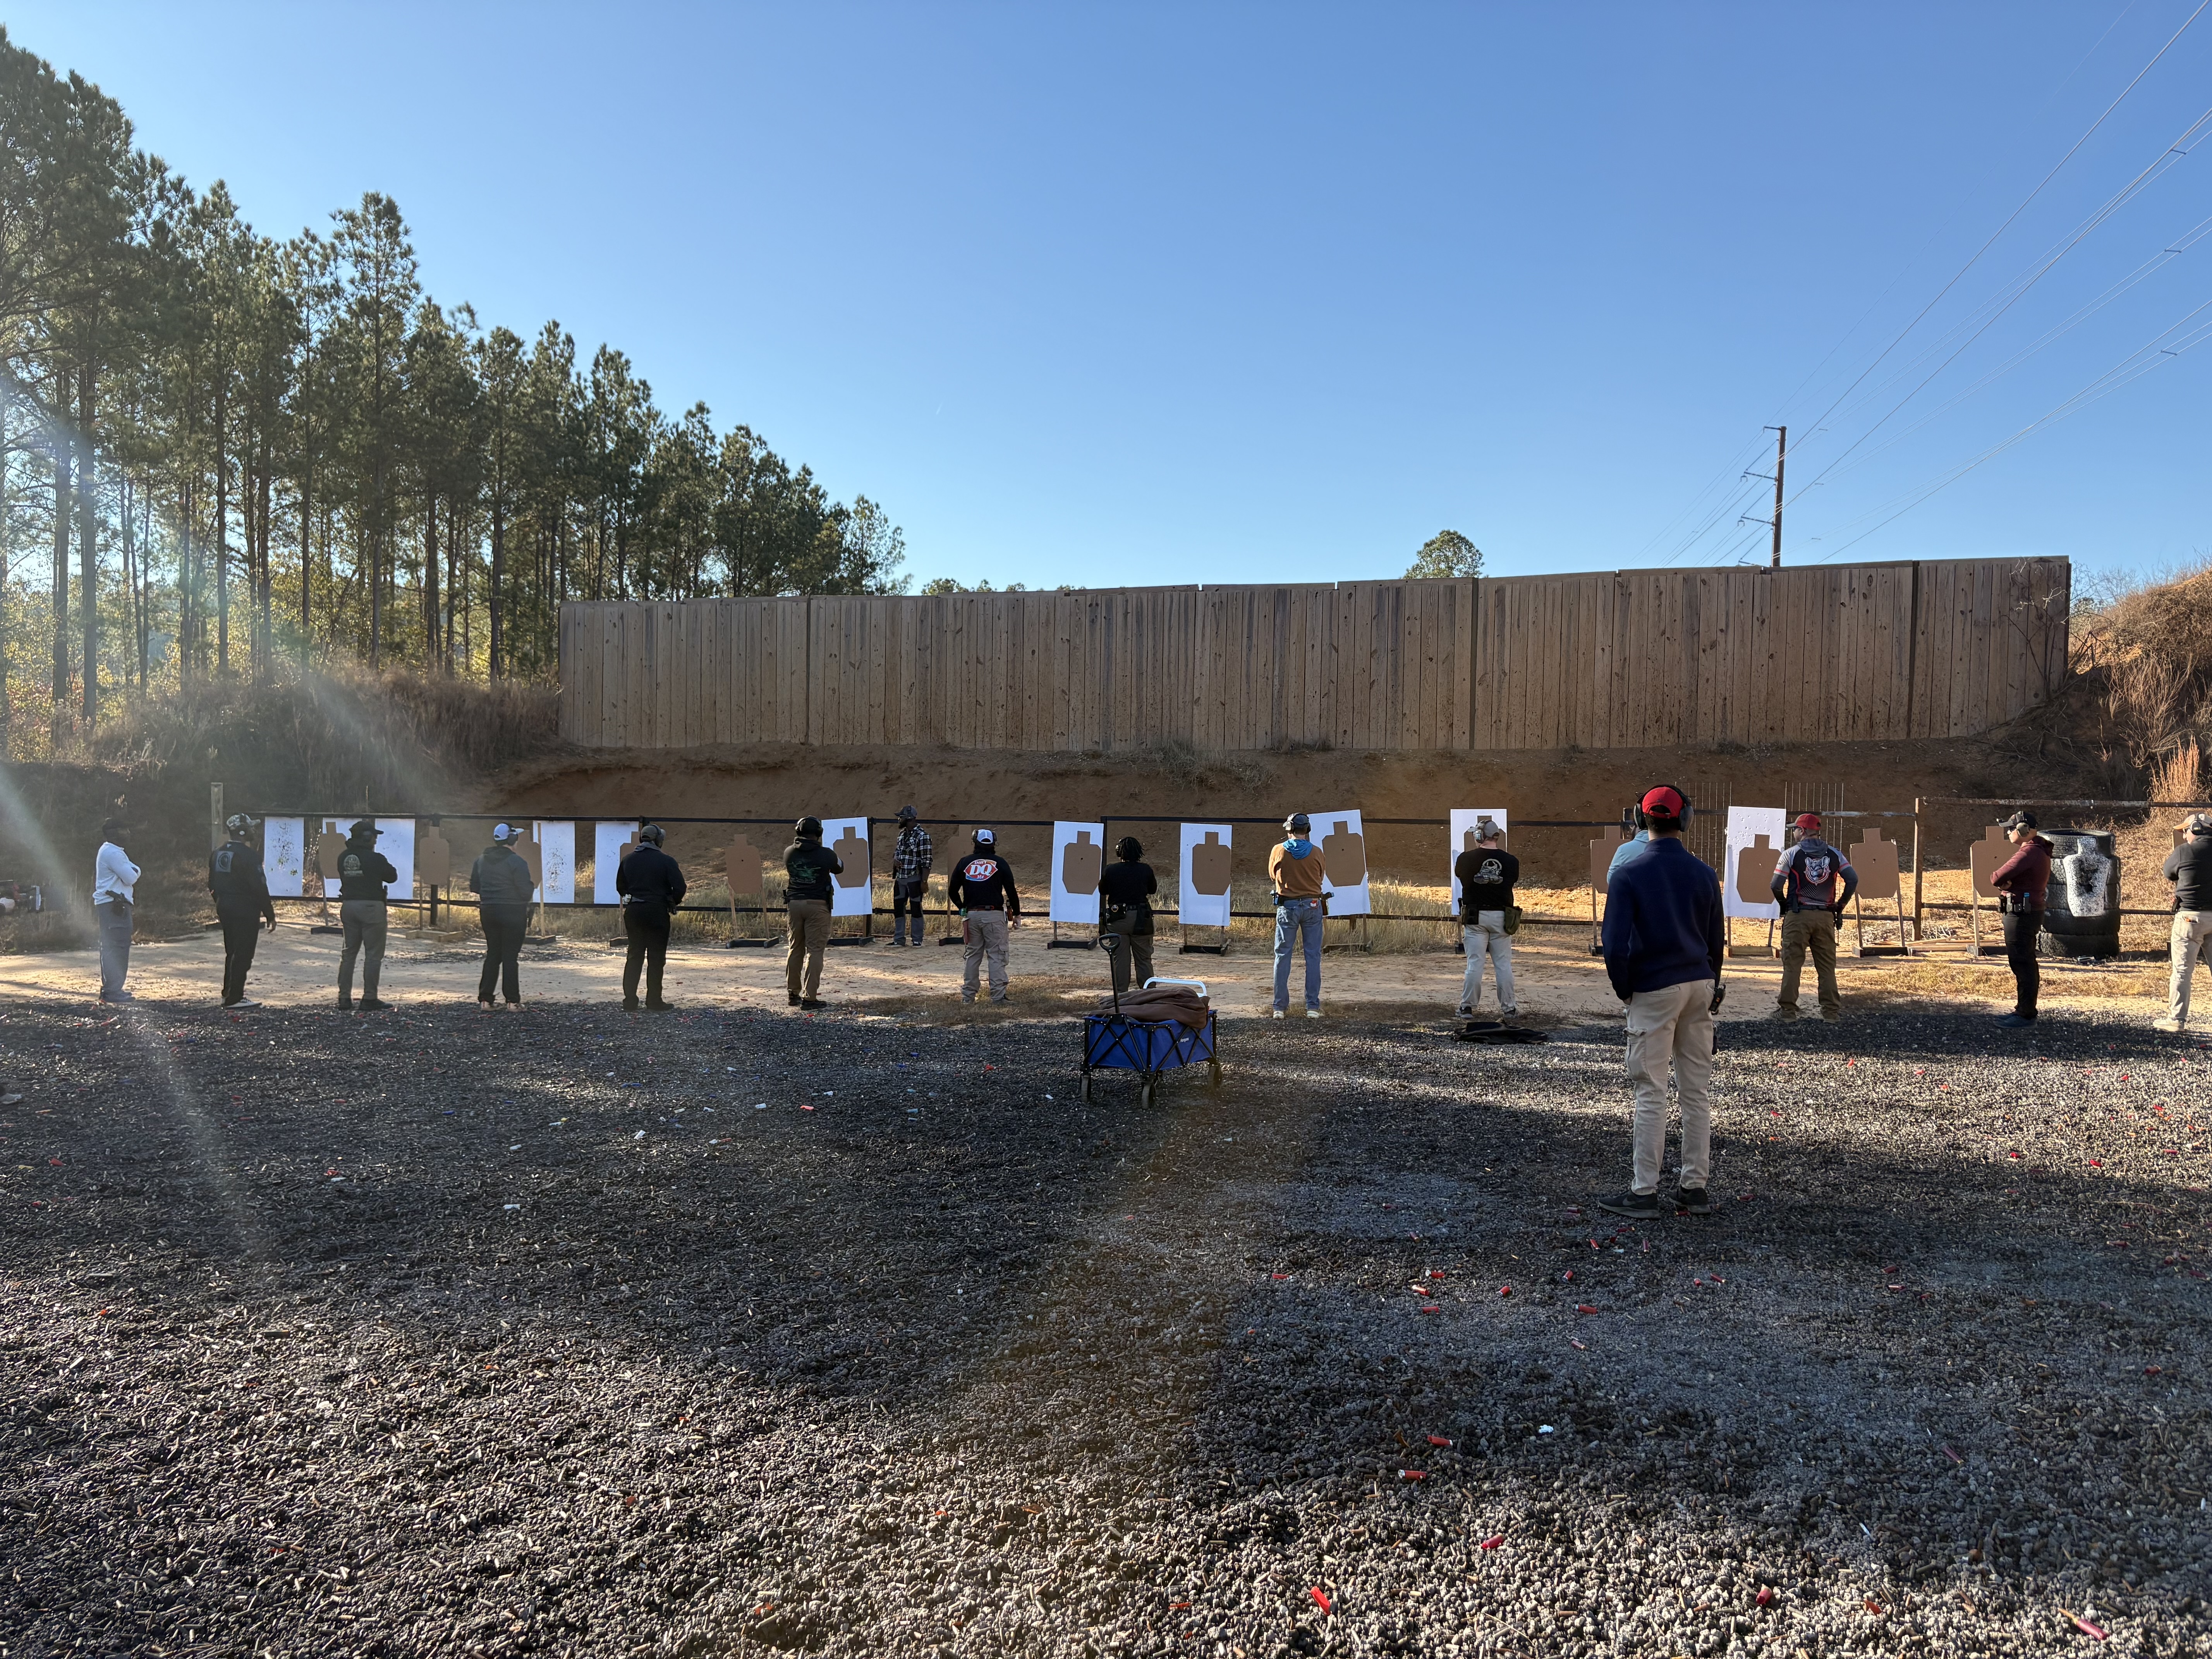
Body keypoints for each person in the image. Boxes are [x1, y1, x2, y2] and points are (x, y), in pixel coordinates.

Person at [1596, 785, 1725, 1220]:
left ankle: (1644, 1192)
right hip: (1699, 985)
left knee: (1651, 1091)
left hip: (1654, 989)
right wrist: (1713, 983)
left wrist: (1625, 989)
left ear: (1640, 818)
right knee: (1696, 1093)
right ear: (1685, 819)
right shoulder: (1706, 874)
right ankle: (1694, 1189)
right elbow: (1716, 941)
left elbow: (1613, 945)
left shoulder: (1628, 874)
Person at [1769, 812, 1857, 1022]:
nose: (1794, 833)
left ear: (1802, 831)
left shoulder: (1790, 854)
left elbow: (1775, 885)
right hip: (1826, 917)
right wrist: (1841, 905)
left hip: (1798, 915)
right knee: (1827, 968)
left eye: (1795, 830)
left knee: (1792, 965)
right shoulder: (1836, 854)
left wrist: (1785, 906)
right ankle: (1831, 1013)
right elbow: (1852, 880)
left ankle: (1788, 1012)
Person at [1988, 810, 2054, 1028]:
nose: (2008, 832)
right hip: (2025, 910)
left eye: (2011, 828)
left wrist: (2006, 884)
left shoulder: (2030, 852)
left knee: (2022, 962)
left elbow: (1997, 877)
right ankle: (2024, 1010)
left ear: (2024, 829)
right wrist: (2009, 884)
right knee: (2024, 961)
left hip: (2021, 912)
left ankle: (2026, 1014)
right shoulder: (2036, 850)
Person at [208, 813, 278, 1010]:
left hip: (225, 906)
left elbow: (211, 883)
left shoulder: (218, 852)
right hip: (245, 909)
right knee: (244, 953)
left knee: (231, 951)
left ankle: (227, 993)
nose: (254, 831)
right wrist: (269, 913)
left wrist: (222, 901)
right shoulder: (249, 856)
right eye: (251, 828)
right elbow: (259, 887)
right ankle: (235, 998)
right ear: (243, 831)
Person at [617, 822, 687, 1011]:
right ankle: (654, 1001)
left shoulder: (628, 860)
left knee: (634, 956)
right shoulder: (667, 861)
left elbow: (621, 888)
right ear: (658, 840)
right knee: (656, 959)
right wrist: (672, 900)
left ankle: (630, 1001)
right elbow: (681, 888)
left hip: (634, 912)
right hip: (657, 913)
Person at [948, 827, 1021, 1004]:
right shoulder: (1000, 863)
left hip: (972, 916)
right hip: (994, 915)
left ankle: (968, 997)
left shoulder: (964, 862)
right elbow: (1011, 890)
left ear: (975, 843)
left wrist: (962, 907)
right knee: (997, 956)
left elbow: (952, 891)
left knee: (973, 956)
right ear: (994, 843)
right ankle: (998, 997)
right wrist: (1017, 914)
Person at [1455, 816, 1519, 1017]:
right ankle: (1509, 1009)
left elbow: (1461, 876)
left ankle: (1467, 1007)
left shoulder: (1465, 859)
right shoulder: (1511, 861)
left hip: (1475, 918)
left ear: (1479, 835)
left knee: (1475, 963)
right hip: (1502, 917)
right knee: (1503, 965)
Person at [2155, 811, 2212, 1033]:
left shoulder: (2184, 851)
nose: (2185, 835)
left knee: (2182, 971)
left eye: (2186, 831)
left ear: (2195, 829)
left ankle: (2177, 1020)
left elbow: (2169, 873)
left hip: (2190, 918)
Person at [335, 818, 400, 1013]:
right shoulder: (376, 858)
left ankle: (344, 998)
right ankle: (369, 998)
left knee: (348, 955)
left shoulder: (343, 857)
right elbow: (392, 876)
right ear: (366, 838)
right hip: (372, 907)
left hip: (348, 906)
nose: (375, 841)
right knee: (373, 955)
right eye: (373, 837)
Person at [470, 823, 536, 1010]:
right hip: (513, 912)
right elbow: (525, 892)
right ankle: (513, 1001)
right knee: (510, 957)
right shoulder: (518, 862)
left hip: (488, 911)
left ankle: (485, 1000)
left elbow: (475, 886)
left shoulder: (481, 860)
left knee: (493, 954)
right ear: (512, 839)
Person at [1269, 812, 1327, 1019]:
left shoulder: (1278, 851)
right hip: (1312, 906)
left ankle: (1279, 1008)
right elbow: (1321, 876)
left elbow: (1273, 876)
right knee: (1313, 957)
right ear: (1307, 830)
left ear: (1289, 829)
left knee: (1283, 956)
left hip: (1288, 906)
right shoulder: (1318, 852)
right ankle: (1312, 1006)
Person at [783, 816, 842, 1009]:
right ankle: (810, 999)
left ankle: (793, 994)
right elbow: (840, 868)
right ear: (819, 833)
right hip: (817, 905)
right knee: (815, 951)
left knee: (796, 948)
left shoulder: (789, 853)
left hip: (794, 904)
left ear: (798, 832)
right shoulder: (826, 854)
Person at [1099, 835, 1158, 993]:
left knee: (1121, 960)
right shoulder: (1146, 869)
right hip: (1141, 918)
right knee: (1144, 960)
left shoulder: (1111, 870)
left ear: (1120, 853)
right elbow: (1153, 890)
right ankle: (1148, 995)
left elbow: (1103, 890)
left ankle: (1121, 997)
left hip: (1118, 919)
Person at [92, 818, 140, 1005]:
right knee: (116, 947)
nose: (128, 833)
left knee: (116, 945)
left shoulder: (113, 851)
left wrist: (134, 870)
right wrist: (136, 870)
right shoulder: (113, 853)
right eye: (124, 830)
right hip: (113, 905)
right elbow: (131, 877)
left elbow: (132, 872)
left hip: (114, 905)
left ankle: (113, 989)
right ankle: (112, 991)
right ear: (114, 833)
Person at [890, 806, 933, 946]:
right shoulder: (902, 835)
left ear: (909, 819)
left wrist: (924, 881)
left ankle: (917, 939)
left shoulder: (923, 836)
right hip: (900, 878)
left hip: (914, 878)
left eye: (901, 817)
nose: (899, 820)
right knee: (898, 909)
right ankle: (899, 939)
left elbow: (927, 861)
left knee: (916, 908)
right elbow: (898, 852)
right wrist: (895, 860)